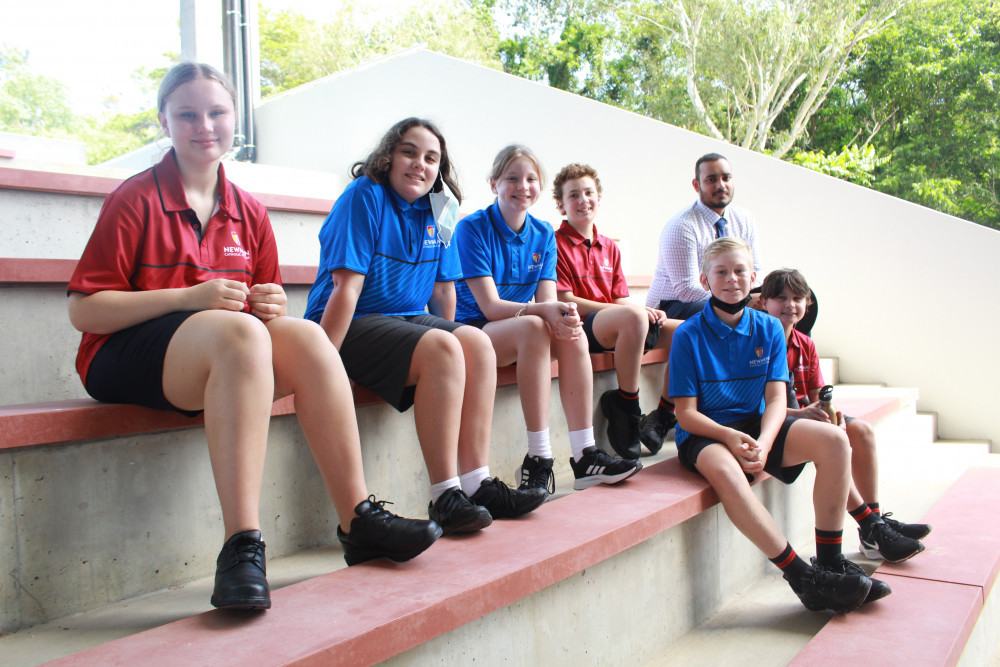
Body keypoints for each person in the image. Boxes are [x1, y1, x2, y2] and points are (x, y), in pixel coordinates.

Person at [66, 64, 441, 611]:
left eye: (217, 112)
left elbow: (264, 322)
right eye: (187, 113)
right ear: (164, 121)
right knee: (241, 335)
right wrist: (185, 297)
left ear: (234, 119)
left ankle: (357, 519)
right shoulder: (136, 198)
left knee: (308, 339)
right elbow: (84, 311)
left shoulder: (249, 211)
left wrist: (271, 307)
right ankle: (241, 545)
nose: (204, 125)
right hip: (123, 355)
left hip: (218, 357)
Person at [304, 120, 547, 535]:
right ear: (388, 156)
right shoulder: (364, 194)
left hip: (406, 318)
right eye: (409, 152)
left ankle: (476, 482)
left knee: (476, 343)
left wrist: (458, 352)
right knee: (443, 347)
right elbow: (346, 289)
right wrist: (322, 363)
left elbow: (443, 289)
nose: (420, 164)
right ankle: (445, 495)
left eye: (431, 158)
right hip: (354, 320)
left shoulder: (443, 206)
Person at [668, 237, 889, 613]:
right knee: (725, 471)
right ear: (705, 280)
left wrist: (766, 443)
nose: (731, 279)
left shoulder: (769, 328)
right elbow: (685, 414)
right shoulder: (689, 334)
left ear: (753, 277)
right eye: (720, 272)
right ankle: (803, 577)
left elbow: (775, 401)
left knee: (835, 439)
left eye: (740, 271)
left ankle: (831, 562)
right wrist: (728, 436)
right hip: (708, 433)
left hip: (759, 424)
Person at [452, 148, 642, 495]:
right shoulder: (472, 229)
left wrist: (562, 316)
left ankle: (585, 455)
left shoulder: (542, 234)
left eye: (530, 179)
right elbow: (491, 307)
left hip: (522, 329)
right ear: (494, 183)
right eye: (512, 178)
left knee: (571, 330)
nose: (522, 186)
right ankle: (540, 458)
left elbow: (548, 300)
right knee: (535, 325)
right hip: (476, 332)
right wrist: (545, 312)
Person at [759, 269, 929, 562]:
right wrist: (805, 414)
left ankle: (872, 530)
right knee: (831, 441)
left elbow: (817, 397)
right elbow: (760, 407)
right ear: (764, 302)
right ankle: (875, 529)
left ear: (808, 303)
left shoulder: (805, 343)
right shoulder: (758, 343)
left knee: (860, 430)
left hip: (804, 413)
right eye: (781, 298)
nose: (790, 305)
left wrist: (828, 414)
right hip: (778, 419)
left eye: (797, 298)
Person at [552, 163, 684, 459]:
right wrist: (627, 313)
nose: (583, 199)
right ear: (561, 204)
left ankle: (664, 412)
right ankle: (626, 406)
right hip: (581, 325)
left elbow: (621, 299)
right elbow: (565, 298)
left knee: (687, 332)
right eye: (574, 195)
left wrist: (646, 311)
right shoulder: (555, 243)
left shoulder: (609, 246)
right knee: (633, 317)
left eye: (589, 192)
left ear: (598, 197)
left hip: (617, 321)